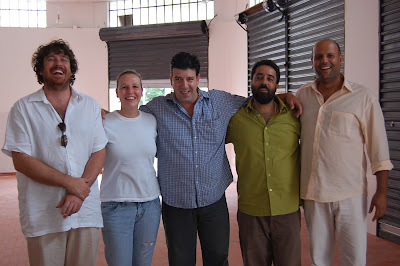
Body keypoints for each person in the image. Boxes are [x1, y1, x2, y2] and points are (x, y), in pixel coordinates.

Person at [2, 39, 107, 266]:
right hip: (43, 213)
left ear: (71, 68)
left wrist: (79, 192)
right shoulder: (23, 108)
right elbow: (21, 160)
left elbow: (99, 151)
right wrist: (71, 183)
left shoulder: (89, 106)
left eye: (64, 59)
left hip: (84, 212)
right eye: (50, 59)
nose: (58, 63)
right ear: (41, 69)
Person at [296, 39, 393, 265]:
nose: (324, 61)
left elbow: (379, 149)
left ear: (340, 59)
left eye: (330, 56)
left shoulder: (363, 97)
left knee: (354, 259)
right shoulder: (303, 95)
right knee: (319, 259)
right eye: (319, 57)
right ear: (312, 62)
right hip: (314, 195)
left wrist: (382, 192)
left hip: (351, 194)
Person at [226, 59, 301, 266]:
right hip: (251, 211)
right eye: (259, 77)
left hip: (287, 208)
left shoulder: (294, 116)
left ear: (277, 85)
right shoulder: (236, 119)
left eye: (270, 78)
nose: (264, 82)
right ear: (251, 82)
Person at [100, 70, 161, 266]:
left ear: (142, 91)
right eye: (124, 87)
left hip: (149, 205)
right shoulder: (104, 123)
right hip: (116, 206)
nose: (130, 91)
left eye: (135, 86)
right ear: (116, 92)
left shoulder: (151, 121)